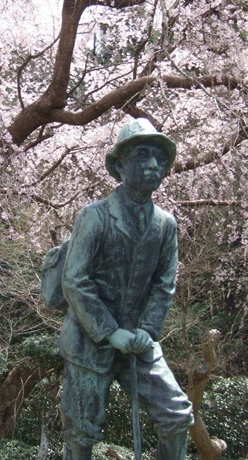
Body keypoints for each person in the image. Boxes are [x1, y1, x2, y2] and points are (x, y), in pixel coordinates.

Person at [57, 118, 193, 459]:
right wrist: (109, 331)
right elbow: (74, 280)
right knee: (81, 432)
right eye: (142, 155)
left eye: (160, 158)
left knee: (176, 416)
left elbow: (164, 284)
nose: (153, 165)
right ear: (119, 165)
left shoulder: (165, 224)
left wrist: (148, 329)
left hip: (140, 339)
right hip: (90, 339)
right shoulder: (95, 216)